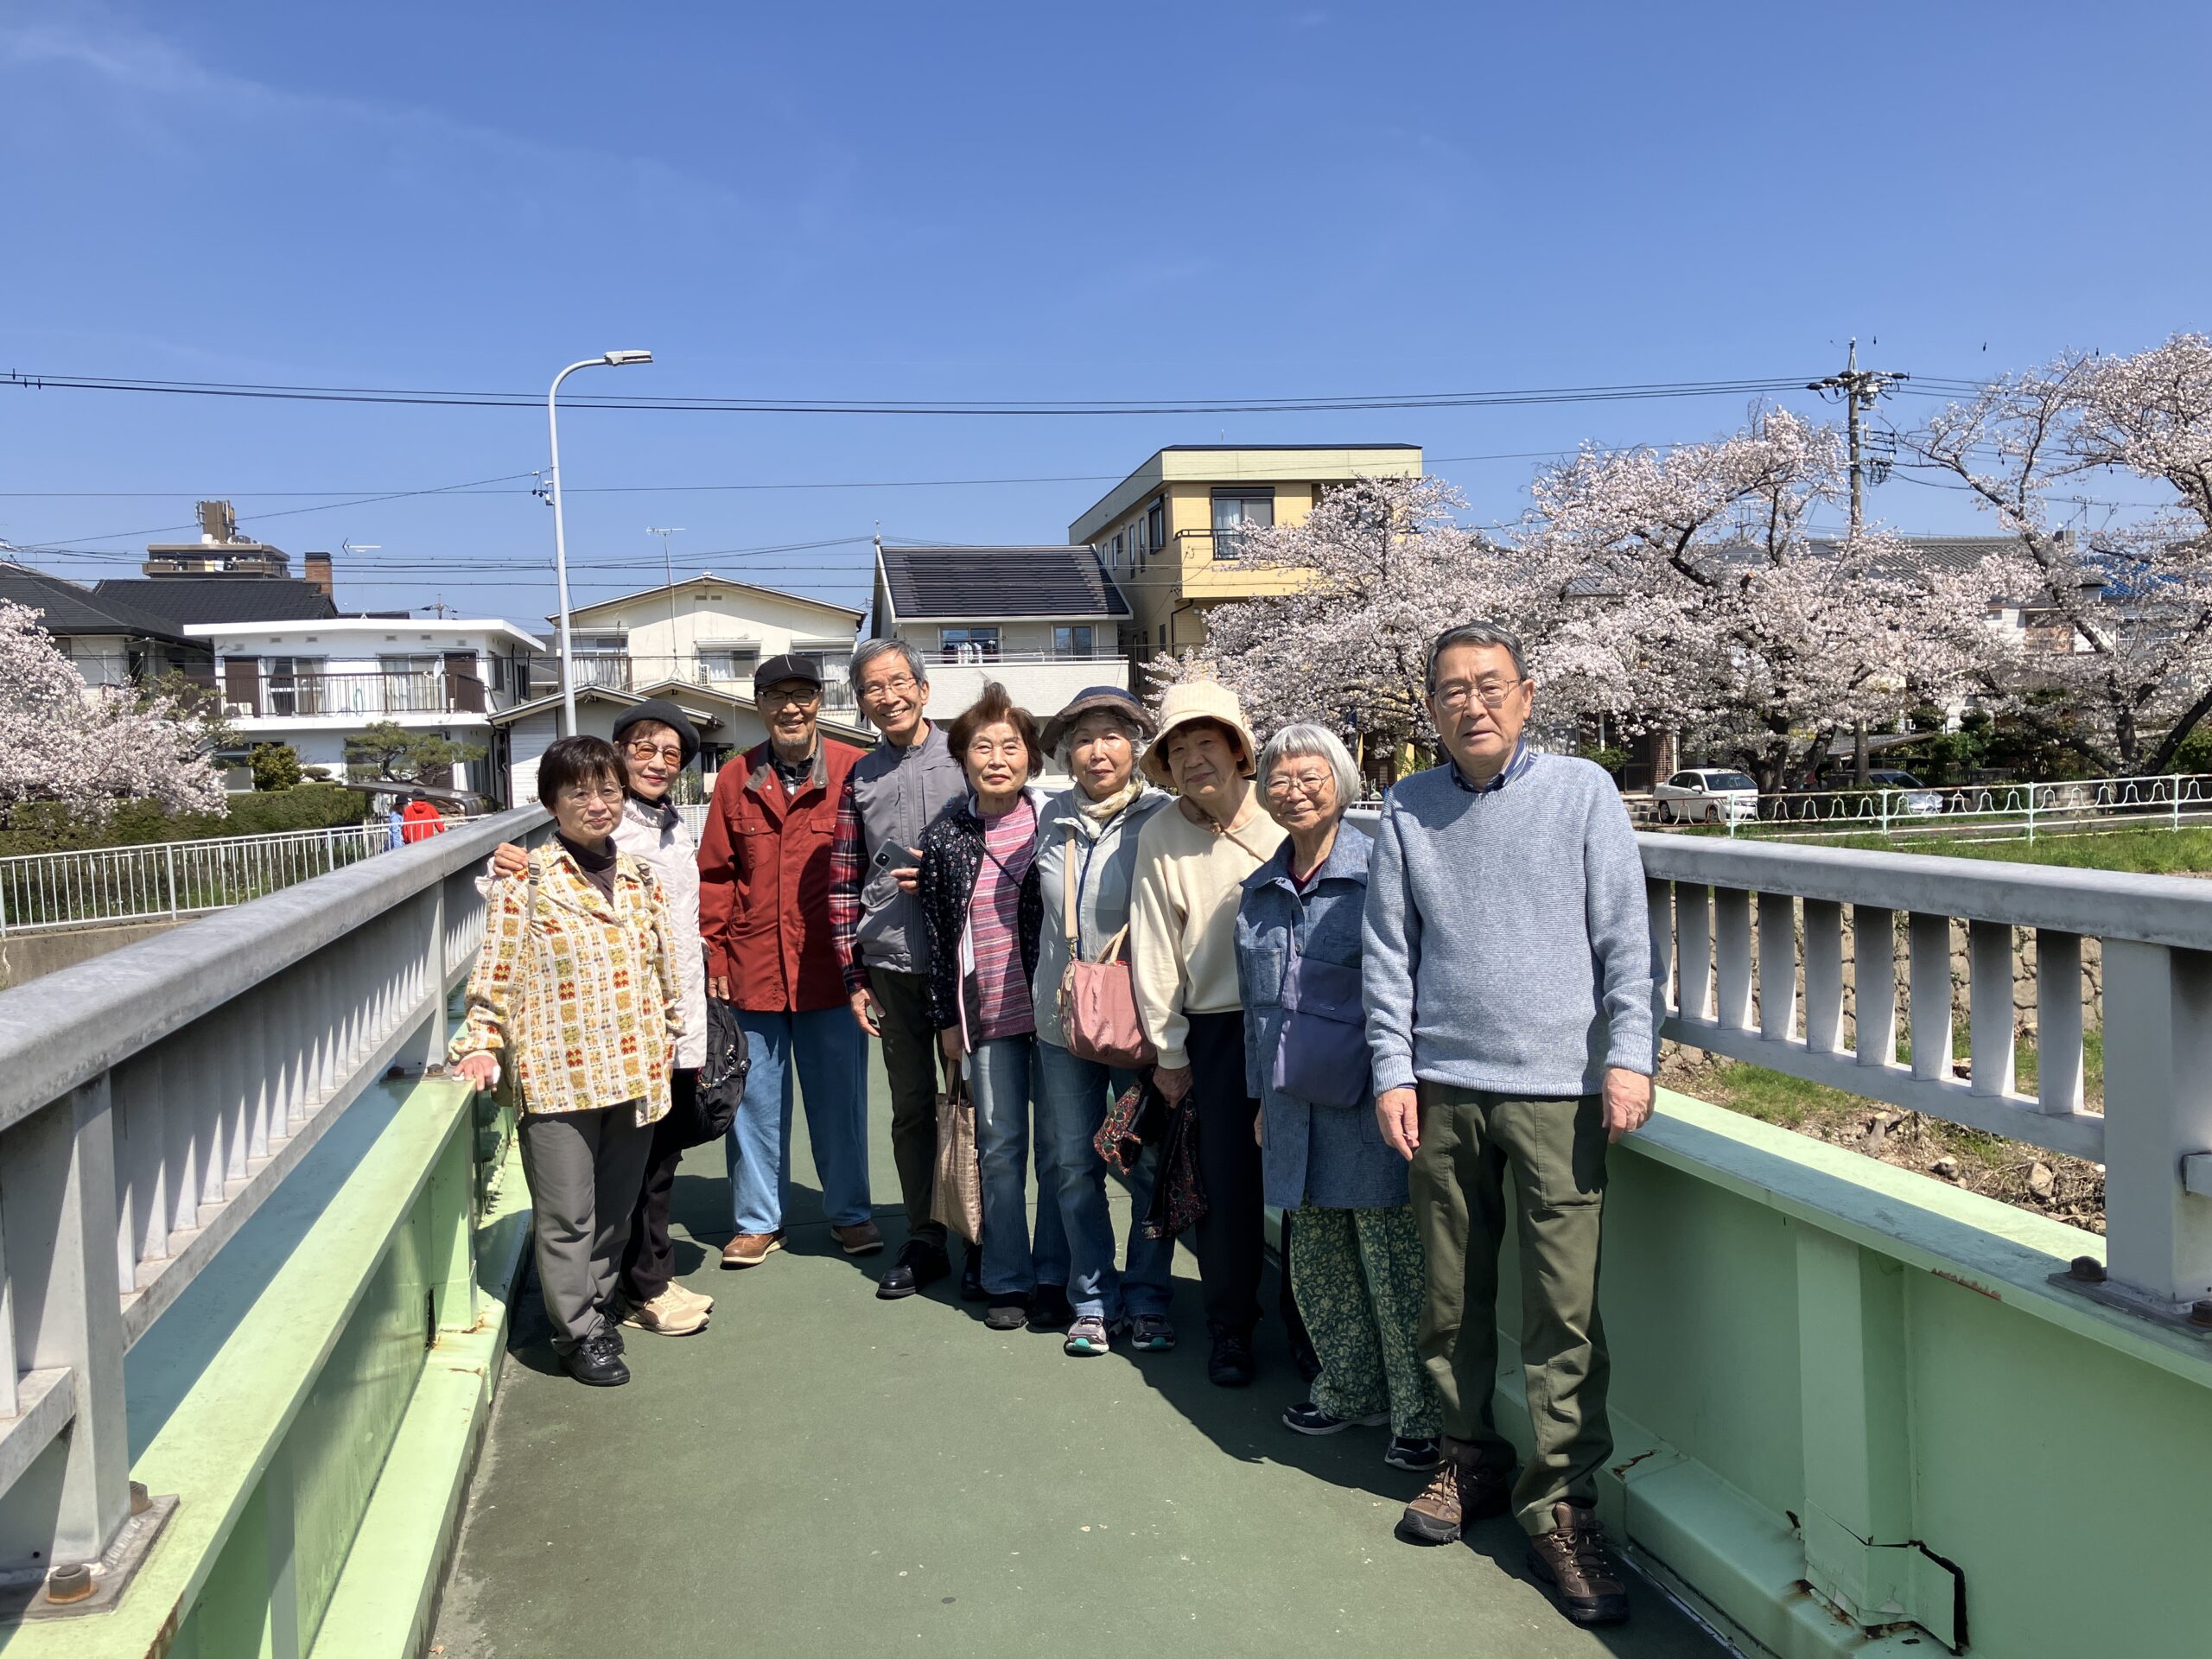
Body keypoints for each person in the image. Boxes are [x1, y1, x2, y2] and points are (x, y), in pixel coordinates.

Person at [1363, 620, 1655, 1629]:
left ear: (1526, 697)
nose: (1472, 703)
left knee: (1561, 1311)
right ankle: (1468, 1458)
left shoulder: (1582, 791)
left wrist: (1630, 1054)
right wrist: (1392, 1070)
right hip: (1442, 1086)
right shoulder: (1406, 806)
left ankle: (1560, 1506)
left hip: (1558, 1090)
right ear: (1429, 709)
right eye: (1452, 689)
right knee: (1449, 1297)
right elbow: (1388, 952)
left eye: (1490, 685)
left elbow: (1624, 936)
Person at [1236, 724, 1440, 1469]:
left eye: (1310, 777)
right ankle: (1348, 1388)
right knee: (1318, 1259)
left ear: (1344, 783)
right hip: (1293, 1103)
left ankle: (1418, 1413)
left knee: (1392, 1262)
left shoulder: (1381, 872)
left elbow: (1414, 985)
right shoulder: (1259, 892)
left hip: (1369, 1096)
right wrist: (1261, 1100)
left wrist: (1407, 1080)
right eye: (1279, 779)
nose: (1294, 791)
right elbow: (1257, 1015)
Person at [452, 736, 683, 1388]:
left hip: (634, 1067)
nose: (597, 804)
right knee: (567, 1214)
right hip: (559, 1072)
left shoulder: (641, 879)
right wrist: (482, 1041)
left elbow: (663, 970)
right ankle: (575, 1332)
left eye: (608, 790)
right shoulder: (525, 879)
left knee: (614, 1210)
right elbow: (495, 971)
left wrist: (670, 1033)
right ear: (551, 802)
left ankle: (597, 1308)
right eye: (579, 792)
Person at [489, 699, 715, 1338]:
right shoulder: (536, 871)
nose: (658, 762)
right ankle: (600, 1315)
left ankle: (623, 1291)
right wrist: (481, 1041)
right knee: (580, 1202)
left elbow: (671, 947)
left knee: (642, 1179)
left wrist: (680, 1028)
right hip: (567, 1061)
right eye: (644, 748)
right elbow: (502, 952)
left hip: (644, 1046)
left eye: (672, 754)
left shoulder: (663, 844)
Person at [698, 655, 881, 1268]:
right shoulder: (736, 777)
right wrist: (715, 955)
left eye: (803, 694)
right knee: (753, 1102)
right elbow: (716, 875)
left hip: (833, 969)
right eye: (777, 697)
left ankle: (850, 1212)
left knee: (841, 1101)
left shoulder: (854, 770)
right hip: (752, 966)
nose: (791, 708)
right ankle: (758, 1221)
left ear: (820, 701)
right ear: (759, 706)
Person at [1128, 679, 1286, 1387]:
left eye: (1206, 742)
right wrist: (1169, 1049)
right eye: (1178, 749)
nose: (1194, 760)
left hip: (1294, 1022)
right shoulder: (1160, 834)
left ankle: (1313, 1334)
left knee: (1305, 1185)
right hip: (1214, 1029)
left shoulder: (1284, 810)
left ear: (1237, 748)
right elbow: (1155, 947)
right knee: (1223, 1188)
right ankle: (1231, 1328)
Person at [1030, 687, 1175, 1357]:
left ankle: (1148, 1297)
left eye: (1112, 735)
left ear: (1136, 747)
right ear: (1066, 753)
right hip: (1063, 1023)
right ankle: (1091, 1299)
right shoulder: (1049, 817)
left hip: (1143, 1023)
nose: (1097, 751)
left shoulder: (1164, 818)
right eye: (1083, 738)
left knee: (1148, 1164)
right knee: (1071, 1163)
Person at [830, 638, 974, 1302]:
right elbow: (844, 879)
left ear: (923, 688)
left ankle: (985, 1236)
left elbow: (1004, 847)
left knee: (979, 1103)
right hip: (891, 962)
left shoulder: (965, 756)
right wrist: (854, 976)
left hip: (968, 962)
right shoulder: (860, 776)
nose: (887, 696)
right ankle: (925, 1236)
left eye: (897, 682)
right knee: (912, 1107)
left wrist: (945, 877)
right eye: (872, 688)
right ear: (861, 703)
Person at [915, 682, 1051, 1333]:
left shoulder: (1055, 824)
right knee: (999, 1149)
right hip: (987, 1017)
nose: (997, 759)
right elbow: (939, 935)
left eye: (1010, 746)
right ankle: (1006, 1275)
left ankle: (1055, 1275)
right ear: (963, 759)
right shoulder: (946, 835)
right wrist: (947, 1018)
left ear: (1031, 757)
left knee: (1061, 1151)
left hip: (1058, 1018)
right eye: (982, 747)